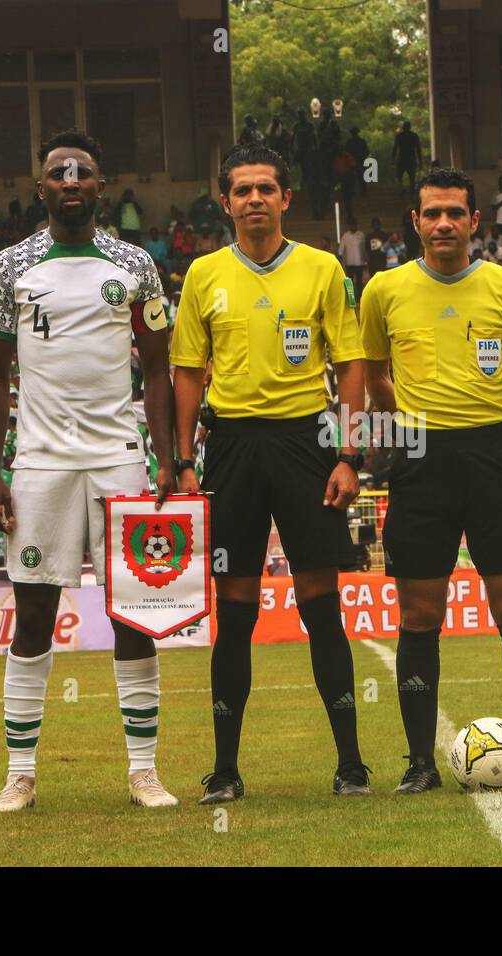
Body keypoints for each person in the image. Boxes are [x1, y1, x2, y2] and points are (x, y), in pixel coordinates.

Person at [0, 128, 178, 812]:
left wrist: (171, 462)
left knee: (135, 616)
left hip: (118, 460)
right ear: (40, 190)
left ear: (100, 188)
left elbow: (157, 372)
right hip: (38, 463)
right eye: (58, 173)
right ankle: (20, 773)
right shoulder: (10, 266)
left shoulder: (137, 265)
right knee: (33, 614)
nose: (70, 181)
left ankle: (144, 771)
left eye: (82, 173)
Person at [361, 167, 502, 792]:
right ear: (416, 221)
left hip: (492, 458)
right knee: (420, 613)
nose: (444, 223)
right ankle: (419, 765)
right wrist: (407, 427)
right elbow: (374, 374)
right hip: (420, 460)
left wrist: (498, 428)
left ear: (476, 222)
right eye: (432, 214)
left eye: (456, 212)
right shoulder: (384, 290)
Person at [170, 144, 370, 802]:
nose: (255, 198)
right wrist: (183, 461)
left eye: (267, 188)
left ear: (287, 198)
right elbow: (189, 373)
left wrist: (348, 454)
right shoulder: (203, 274)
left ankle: (350, 766)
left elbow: (350, 364)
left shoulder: (322, 268)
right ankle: (225, 771)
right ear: (224, 202)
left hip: (305, 444)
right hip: (231, 451)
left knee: (321, 605)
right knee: (234, 611)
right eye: (242, 190)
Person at [392, 120, 422, 197]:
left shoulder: (399, 136)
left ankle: (402, 190)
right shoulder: (414, 136)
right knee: (411, 177)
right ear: (409, 127)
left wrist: (393, 159)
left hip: (402, 158)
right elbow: (418, 149)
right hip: (411, 158)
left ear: (403, 127)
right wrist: (420, 160)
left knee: (399, 176)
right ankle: (411, 192)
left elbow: (395, 148)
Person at [338, 220, 367, 298]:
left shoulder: (361, 235)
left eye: (355, 225)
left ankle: (360, 298)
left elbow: (364, 248)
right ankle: (350, 298)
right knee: (350, 282)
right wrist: (341, 261)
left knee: (359, 282)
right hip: (349, 263)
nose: (353, 226)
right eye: (352, 225)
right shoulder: (345, 236)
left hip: (359, 262)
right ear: (349, 226)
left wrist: (366, 259)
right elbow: (341, 250)